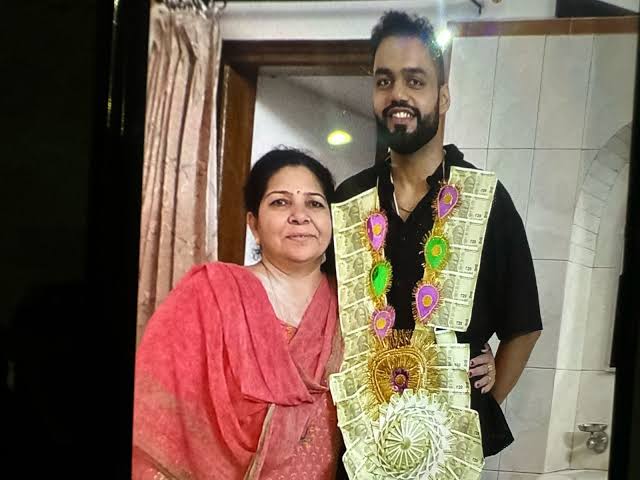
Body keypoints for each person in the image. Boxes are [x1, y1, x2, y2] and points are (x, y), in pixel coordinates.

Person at [334, 10, 543, 458]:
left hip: (447, 449)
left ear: (443, 96)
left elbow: (524, 325)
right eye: (384, 81)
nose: (398, 94)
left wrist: (480, 404)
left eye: (415, 80)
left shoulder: (484, 198)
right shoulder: (350, 198)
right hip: (362, 439)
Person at [132, 148, 343, 479]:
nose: (299, 215)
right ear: (253, 224)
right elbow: (155, 417)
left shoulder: (353, 307)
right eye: (280, 202)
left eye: (315, 203)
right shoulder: (210, 294)